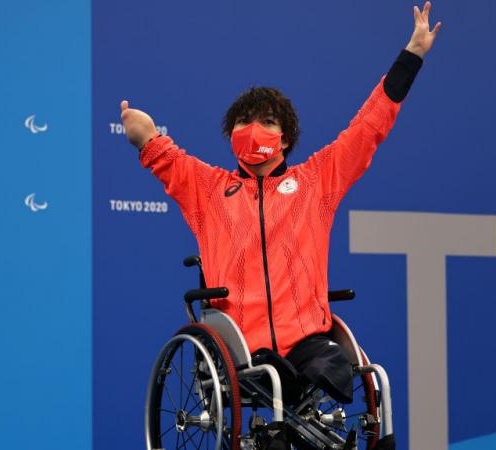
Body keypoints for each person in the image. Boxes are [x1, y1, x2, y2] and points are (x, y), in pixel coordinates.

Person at [121, 2, 440, 447]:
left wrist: (413, 54)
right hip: (242, 350)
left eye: (267, 122)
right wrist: (144, 135)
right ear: (231, 136)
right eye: (243, 123)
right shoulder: (209, 190)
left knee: (371, 378)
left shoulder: (316, 182)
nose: (254, 130)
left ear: (284, 137)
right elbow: (167, 159)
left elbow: (368, 127)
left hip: (308, 341)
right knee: (271, 385)